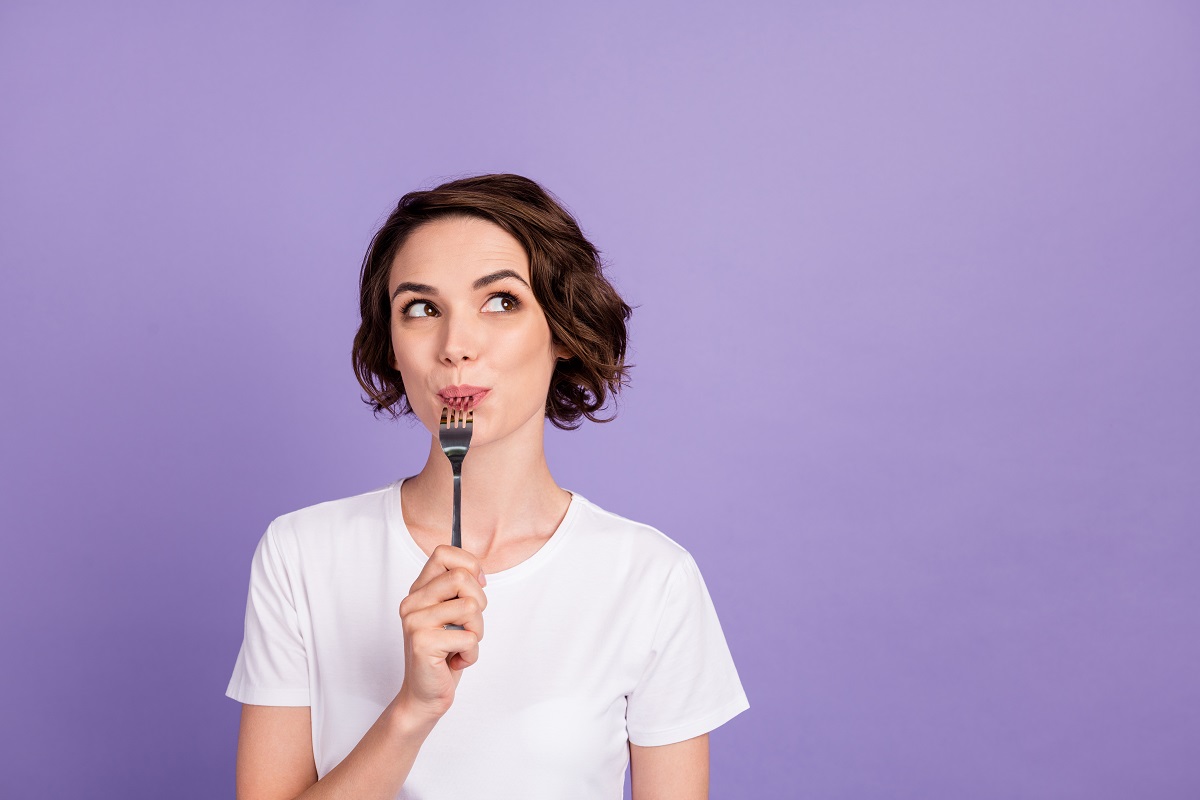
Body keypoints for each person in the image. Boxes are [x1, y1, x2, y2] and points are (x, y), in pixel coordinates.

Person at [226, 174, 749, 799]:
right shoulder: (301, 555)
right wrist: (411, 712)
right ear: (392, 345)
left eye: (500, 301)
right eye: (421, 309)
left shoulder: (651, 580)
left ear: (560, 330)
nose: (456, 347)